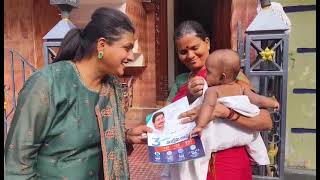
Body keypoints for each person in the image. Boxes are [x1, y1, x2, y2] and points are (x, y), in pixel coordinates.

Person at [4, 7, 152, 180]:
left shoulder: (111, 87)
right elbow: (17, 164)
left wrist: (126, 136)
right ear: (101, 45)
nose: (130, 56)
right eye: (126, 48)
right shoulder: (48, 83)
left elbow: (99, 141)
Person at [162, 20, 273, 180]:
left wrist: (226, 113)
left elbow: (265, 121)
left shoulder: (233, 78)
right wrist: (189, 96)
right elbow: (167, 121)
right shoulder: (181, 81)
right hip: (188, 163)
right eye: (183, 51)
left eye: (195, 48)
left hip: (228, 163)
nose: (190, 55)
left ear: (207, 43)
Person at [192, 49, 279, 135]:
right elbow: (258, 99)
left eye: (208, 72)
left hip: (224, 132)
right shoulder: (241, 88)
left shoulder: (212, 91)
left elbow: (208, 107)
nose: (205, 74)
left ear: (222, 77)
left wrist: (200, 125)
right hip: (245, 131)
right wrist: (272, 103)